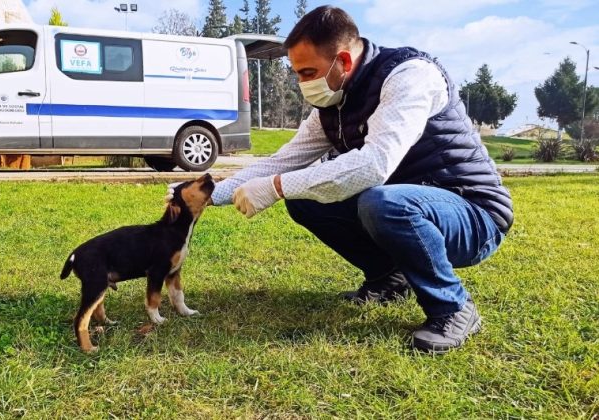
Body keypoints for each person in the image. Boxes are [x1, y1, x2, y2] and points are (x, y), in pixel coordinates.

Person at [172, 6, 513, 353]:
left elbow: (374, 164)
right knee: (306, 199)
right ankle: (388, 278)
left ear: (344, 63)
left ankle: (453, 307)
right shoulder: (333, 106)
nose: (304, 85)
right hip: (407, 204)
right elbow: (283, 161)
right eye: (297, 75)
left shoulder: (409, 76)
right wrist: (203, 193)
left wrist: (275, 187)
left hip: (473, 212)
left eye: (308, 72)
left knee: (382, 203)